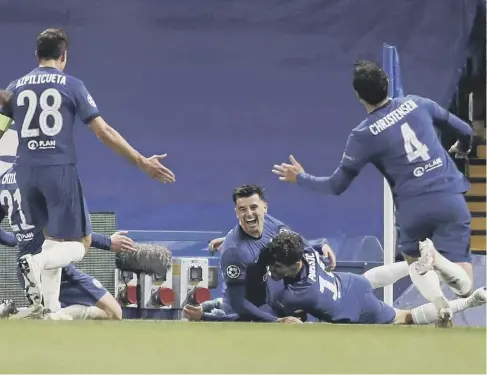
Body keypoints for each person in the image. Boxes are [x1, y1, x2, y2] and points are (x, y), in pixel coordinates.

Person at [272, 59, 475, 325]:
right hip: (450, 197)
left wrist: (301, 178)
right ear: (387, 84)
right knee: (465, 285)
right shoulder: (418, 102)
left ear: (358, 96)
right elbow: (466, 130)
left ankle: (438, 302)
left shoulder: (363, 135)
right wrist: (462, 145)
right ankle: (439, 264)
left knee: (415, 261)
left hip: (413, 208)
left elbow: (336, 186)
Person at [0, 28, 175, 309]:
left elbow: (0, 129)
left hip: (23, 173)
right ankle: (36, 262)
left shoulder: (15, 87)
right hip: (57, 170)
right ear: (64, 56)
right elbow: (103, 132)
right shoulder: (71, 85)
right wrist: (142, 161)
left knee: (51, 240)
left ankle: (49, 309)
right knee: (80, 243)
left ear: (36, 55)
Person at [261, 232, 486, 326]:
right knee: (374, 278)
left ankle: (471, 301)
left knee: (407, 317)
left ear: (296, 263)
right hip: (352, 283)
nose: (273, 268)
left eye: (278, 266)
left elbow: (278, 313)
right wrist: (322, 245)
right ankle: (427, 264)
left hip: (356, 310)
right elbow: (305, 243)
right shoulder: (305, 251)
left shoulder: (291, 295)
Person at [0, 167, 134, 319]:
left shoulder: (5, 179)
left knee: (113, 312)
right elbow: (63, 231)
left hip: (42, 263)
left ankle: (15, 314)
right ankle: (37, 313)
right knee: (79, 248)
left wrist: (15, 240)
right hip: (46, 259)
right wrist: (107, 242)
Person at [184, 184, 330, 323]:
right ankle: (212, 311)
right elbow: (238, 303)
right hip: (243, 310)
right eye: (242, 209)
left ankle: (215, 305)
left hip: (264, 300)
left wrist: (318, 247)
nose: (249, 214)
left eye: (254, 207)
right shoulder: (234, 252)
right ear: (236, 213)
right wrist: (276, 321)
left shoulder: (269, 223)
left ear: (265, 208)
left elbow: (290, 239)